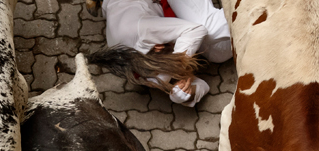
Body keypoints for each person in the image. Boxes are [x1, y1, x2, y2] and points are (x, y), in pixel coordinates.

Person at [99, 0, 232, 106]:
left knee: (211, 30)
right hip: (157, 12)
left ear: (156, 47)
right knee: (218, 54)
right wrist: (186, 93)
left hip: (151, 9)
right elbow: (200, 85)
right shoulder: (146, 73)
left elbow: (196, 30)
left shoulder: (139, 31)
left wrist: (176, 66)